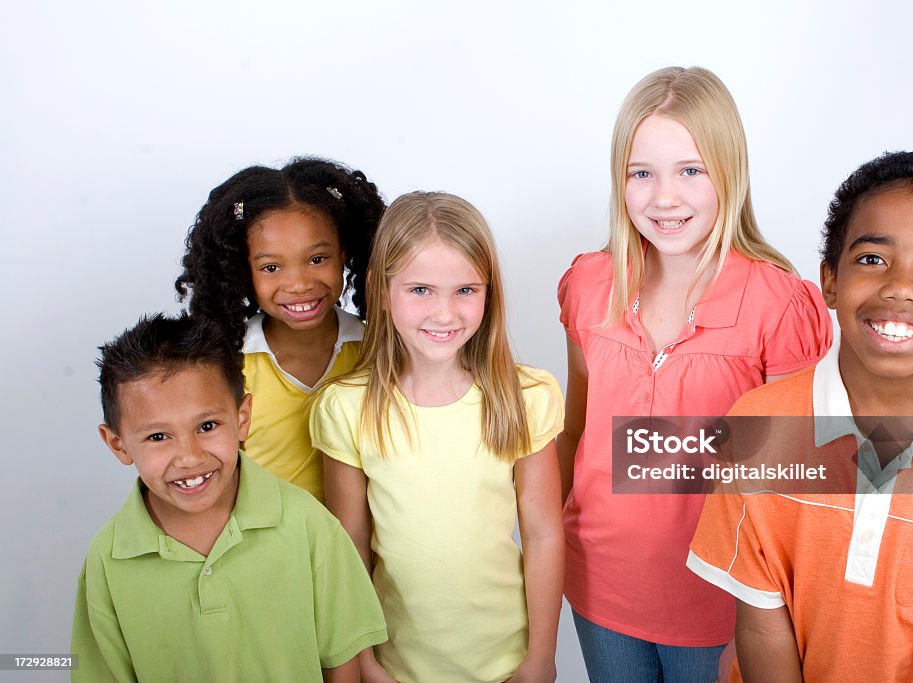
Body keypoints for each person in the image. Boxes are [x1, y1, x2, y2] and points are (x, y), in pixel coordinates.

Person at [688, 151, 913, 681]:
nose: (900, 287)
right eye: (872, 258)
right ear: (830, 281)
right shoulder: (757, 426)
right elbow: (760, 625)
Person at [556, 66, 833, 682]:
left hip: (725, 607)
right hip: (602, 591)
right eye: (641, 173)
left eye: (690, 170)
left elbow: (796, 476)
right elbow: (575, 433)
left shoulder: (779, 304)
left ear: (728, 171)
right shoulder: (588, 284)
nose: (665, 197)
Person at [310, 192, 564, 683]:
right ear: (383, 291)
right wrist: (363, 660)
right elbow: (350, 548)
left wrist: (540, 659)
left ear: (489, 293)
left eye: (465, 290)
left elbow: (544, 534)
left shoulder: (527, 397)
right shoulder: (345, 408)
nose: (444, 314)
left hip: (505, 661)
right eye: (421, 290)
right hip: (395, 664)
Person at [71, 313, 386, 682]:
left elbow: (344, 663)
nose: (189, 457)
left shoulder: (308, 524)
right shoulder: (108, 560)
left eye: (207, 426)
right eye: (158, 437)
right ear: (117, 444)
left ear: (242, 418)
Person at [175, 157, 385, 502]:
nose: (299, 284)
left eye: (317, 259)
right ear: (242, 270)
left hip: (361, 551)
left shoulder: (378, 350)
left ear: (344, 254)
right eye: (271, 267)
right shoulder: (228, 365)